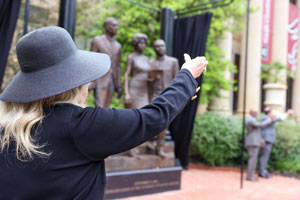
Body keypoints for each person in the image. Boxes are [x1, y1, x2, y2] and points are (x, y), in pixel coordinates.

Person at [0, 26, 208, 199]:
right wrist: (187, 76)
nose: (89, 85)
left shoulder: (5, 128)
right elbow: (153, 117)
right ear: (73, 86)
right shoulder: (80, 125)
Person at [149, 39, 179, 157]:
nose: (160, 48)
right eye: (157, 46)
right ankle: (150, 142)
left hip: (167, 95)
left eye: (162, 46)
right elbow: (147, 81)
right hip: (153, 94)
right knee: (151, 120)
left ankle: (160, 148)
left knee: (164, 123)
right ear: (154, 49)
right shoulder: (150, 62)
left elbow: (177, 79)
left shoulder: (173, 61)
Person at [90, 17, 122, 108]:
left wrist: (118, 85)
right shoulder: (97, 40)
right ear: (107, 27)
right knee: (99, 107)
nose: (117, 28)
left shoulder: (118, 46)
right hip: (100, 79)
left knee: (106, 107)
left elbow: (118, 66)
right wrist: (90, 81)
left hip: (112, 80)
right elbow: (92, 60)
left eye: (117, 25)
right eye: (114, 25)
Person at [259, 107, 293, 178]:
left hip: (267, 140)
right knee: (264, 157)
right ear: (269, 113)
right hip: (266, 140)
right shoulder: (265, 118)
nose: (273, 114)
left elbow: (278, 119)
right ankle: (262, 172)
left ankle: (263, 171)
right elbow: (279, 119)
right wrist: (287, 113)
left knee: (265, 156)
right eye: (271, 113)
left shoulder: (267, 118)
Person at [124, 33, 151, 109]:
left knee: (145, 110)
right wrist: (127, 93)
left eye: (144, 43)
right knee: (136, 111)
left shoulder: (146, 58)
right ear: (136, 44)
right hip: (134, 89)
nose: (143, 45)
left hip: (144, 89)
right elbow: (126, 75)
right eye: (141, 43)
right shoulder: (131, 57)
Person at [245, 109, 273, 182]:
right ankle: (249, 176)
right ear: (251, 112)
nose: (257, 114)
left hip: (255, 141)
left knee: (254, 160)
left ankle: (250, 175)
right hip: (252, 142)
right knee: (252, 160)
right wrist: (269, 119)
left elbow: (256, 130)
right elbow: (259, 125)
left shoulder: (252, 119)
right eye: (255, 112)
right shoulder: (250, 119)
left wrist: (261, 139)